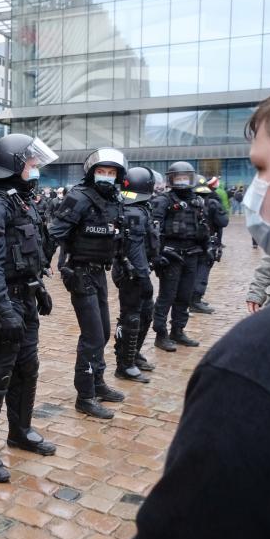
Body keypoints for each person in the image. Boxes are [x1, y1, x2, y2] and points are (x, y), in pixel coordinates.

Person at [132, 65, 270, 539]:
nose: (257, 189)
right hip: (154, 265)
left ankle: (172, 329)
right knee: (161, 306)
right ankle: (154, 336)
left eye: (262, 168)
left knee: (181, 303)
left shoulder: (266, 363)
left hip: (194, 258)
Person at [0, 134, 58, 484]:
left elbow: (31, 251)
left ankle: (20, 430)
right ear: (15, 164)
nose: (36, 169)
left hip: (26, 296)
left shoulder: (23, 200)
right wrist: (3, 309)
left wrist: (40, 287)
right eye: (32, 164)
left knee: (27, 367)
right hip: (3, 299)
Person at [48, 148, 128, 419]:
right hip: (79, 272)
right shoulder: (78, 198)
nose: (106, 176)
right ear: (92, 172)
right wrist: (39, 269)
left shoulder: (114, 201)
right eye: (101, 171)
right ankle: (85, 396)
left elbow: (115, 235)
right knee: (92, 336)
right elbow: (54, 233)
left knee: (103, 332)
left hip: (99, 272)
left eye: (111, 172)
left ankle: (98, 382)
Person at [149, 162, 210, 350]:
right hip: (171, 255)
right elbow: (154, 230)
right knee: (167, 296)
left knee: (185, 296)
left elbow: (203, 226)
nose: (183, 181)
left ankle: (178, 330)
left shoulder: (197, 201)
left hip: (192, 254)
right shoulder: (163, 201)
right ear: (171, 179)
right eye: (179, 178)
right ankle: (161, 334)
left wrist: (207, 246)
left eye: (186, 177)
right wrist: (158, 254)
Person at [111, 167, 160, 383]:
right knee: (131, 317)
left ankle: (133, 354)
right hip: (132, 273)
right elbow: (134, 249)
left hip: (138, 271)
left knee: (145, 314)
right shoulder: (134, 212)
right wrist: (143, 277)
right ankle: (125, 364)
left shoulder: (136, 207)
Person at [189, 176, 229, 315]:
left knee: (191, 272)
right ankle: (195, 301)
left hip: (190, 243)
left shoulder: (187, 203)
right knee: (202, 272)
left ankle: (191, 299)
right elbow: (223, 221)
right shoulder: (212, 203)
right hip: (207, 243)